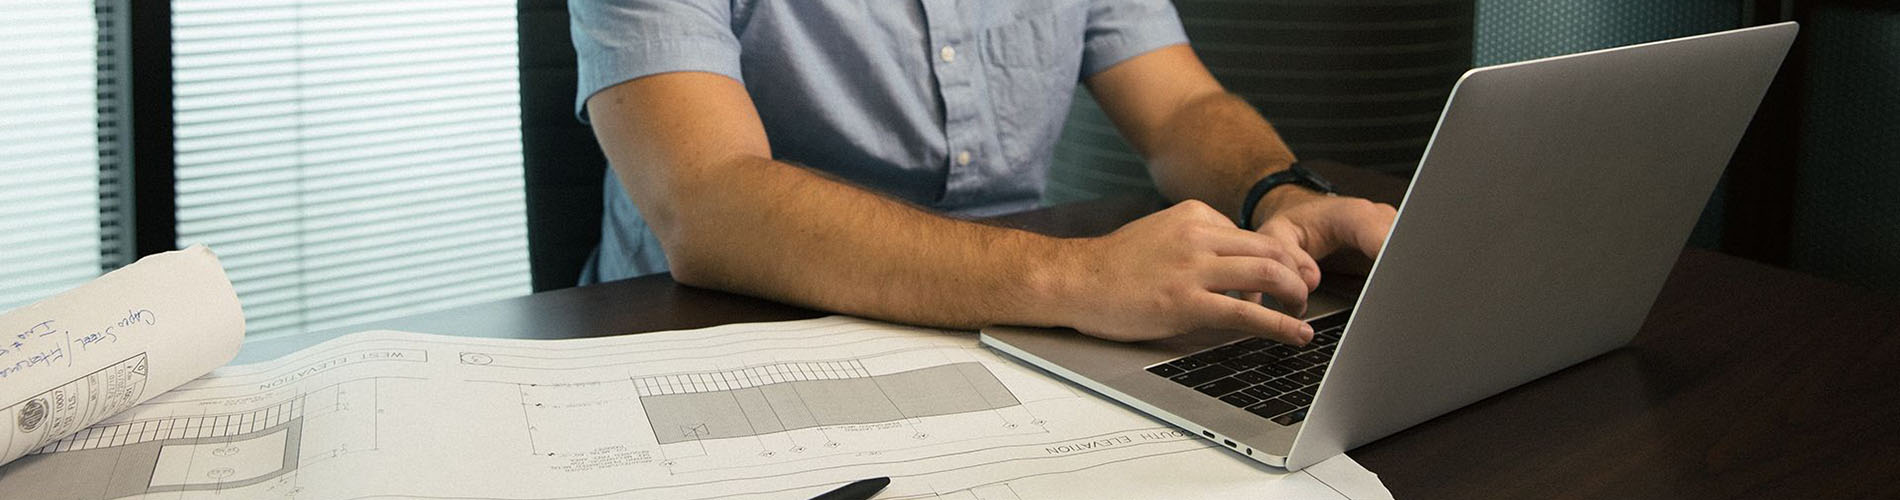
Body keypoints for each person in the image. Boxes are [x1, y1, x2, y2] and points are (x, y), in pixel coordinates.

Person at [571, 0, 1396, 346]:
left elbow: (1180, 107)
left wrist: (1279, 194)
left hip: (1000, 326)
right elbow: (708, 199)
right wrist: (1082, 276)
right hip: (714, 338)